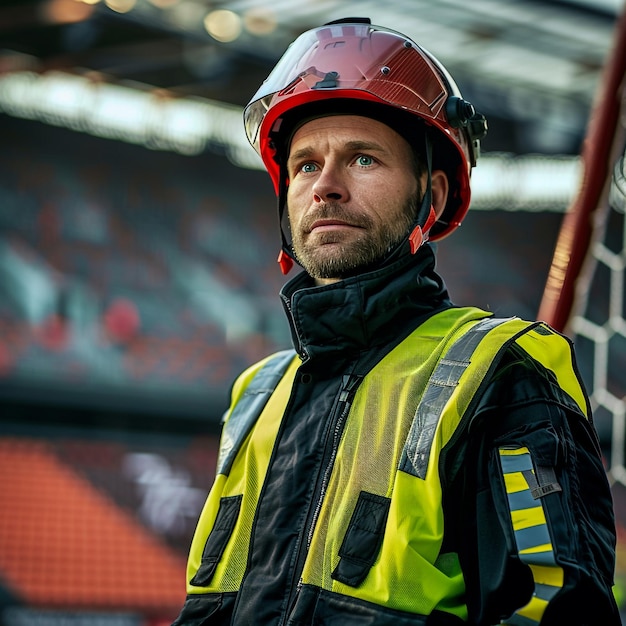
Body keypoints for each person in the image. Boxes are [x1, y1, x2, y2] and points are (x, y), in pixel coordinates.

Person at [172, 17, 619, 626]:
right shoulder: (255, 394)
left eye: (362, 158)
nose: (325, 186)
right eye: (305, 164)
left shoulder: (501, 370)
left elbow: (555, 612)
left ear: (430, 199)